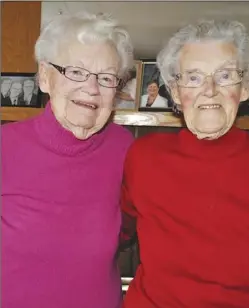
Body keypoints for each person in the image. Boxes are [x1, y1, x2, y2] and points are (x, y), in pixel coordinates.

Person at [121, 20, 249, 308]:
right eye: (194, 77)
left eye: (225, 76)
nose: (209, 90)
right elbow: (119, 230)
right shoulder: (144, 156)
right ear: (175, 92)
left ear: (246, 87)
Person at [2, 12, 134, 308]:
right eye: (76, 72)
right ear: (46, 77)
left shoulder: (126, 149)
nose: (92, 88)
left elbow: (130, 228)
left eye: (106, 77)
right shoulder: (5, 147)